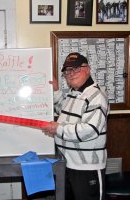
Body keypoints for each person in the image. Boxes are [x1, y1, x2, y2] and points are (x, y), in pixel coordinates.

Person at [42, 52, 109, 200]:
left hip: (87, 168)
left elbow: (90, 129)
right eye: (67, 71)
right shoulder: (75, 92)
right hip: (67, 164)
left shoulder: (96, 96)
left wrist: (57, 129)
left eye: (76, 69)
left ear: (88, 69)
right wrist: (56, 91)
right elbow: (64, 113)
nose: (71, 74)